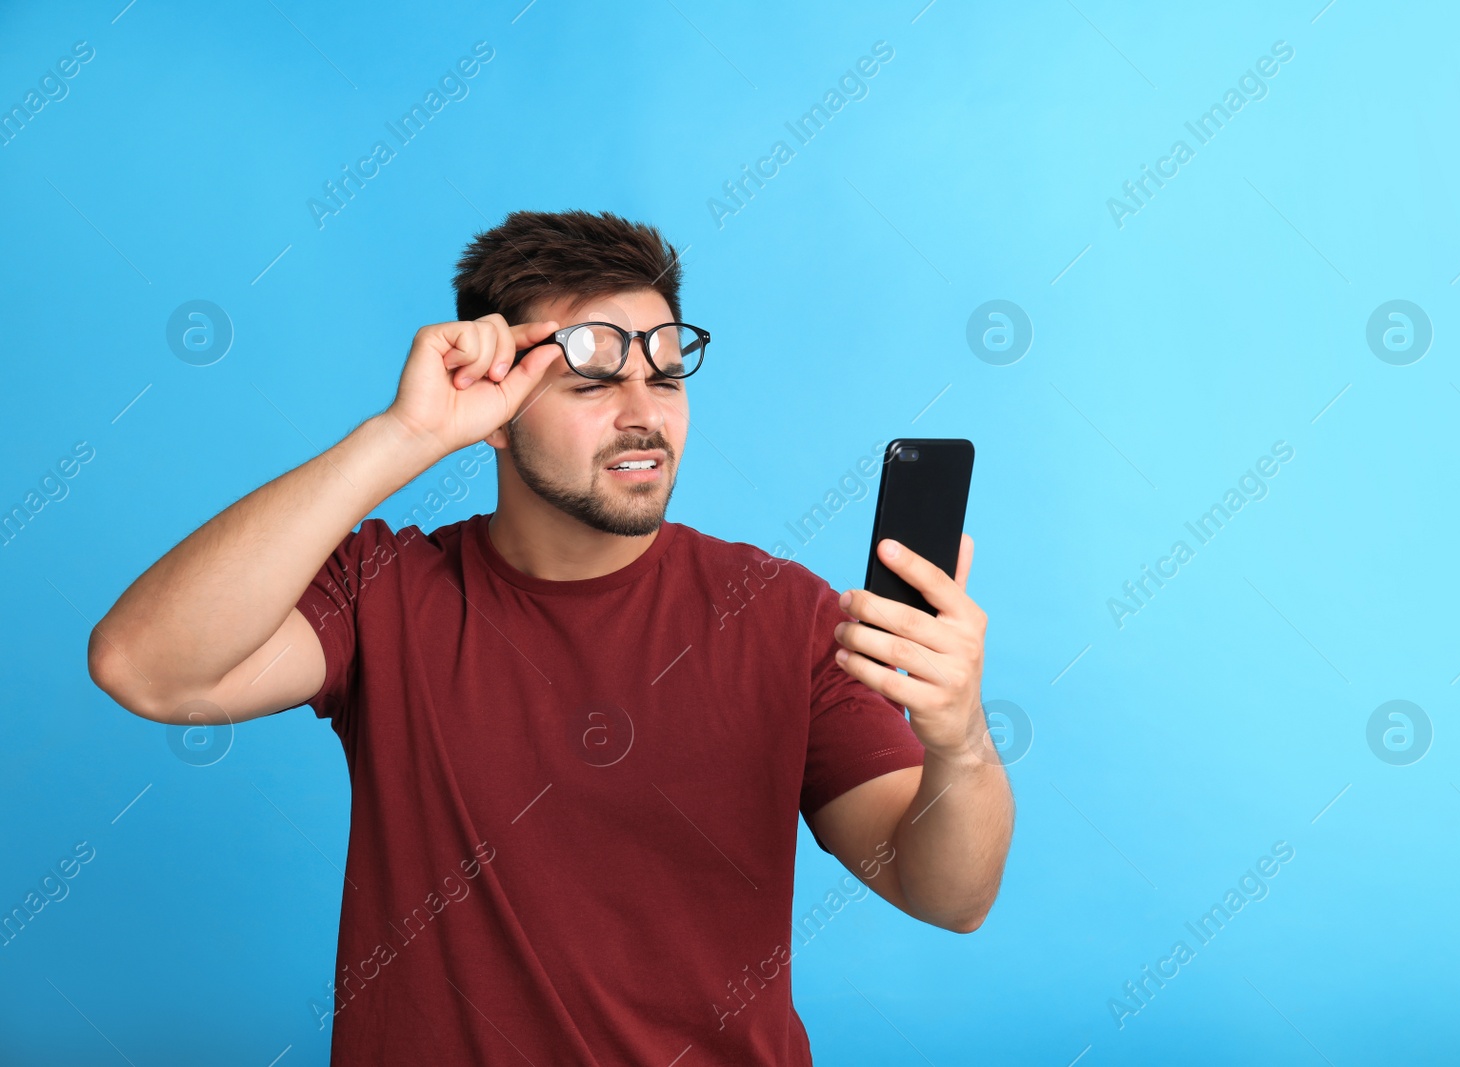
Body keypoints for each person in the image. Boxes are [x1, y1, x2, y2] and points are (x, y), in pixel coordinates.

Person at [88, 209, 1014, 1065]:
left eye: (664, 375)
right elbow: (147, 668)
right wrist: (403, 436)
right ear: (494, 404)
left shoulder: (783, 612)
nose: (643, 413)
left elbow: (949, 894)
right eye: (591, 382)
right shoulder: (383, 590)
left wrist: (960, 741)